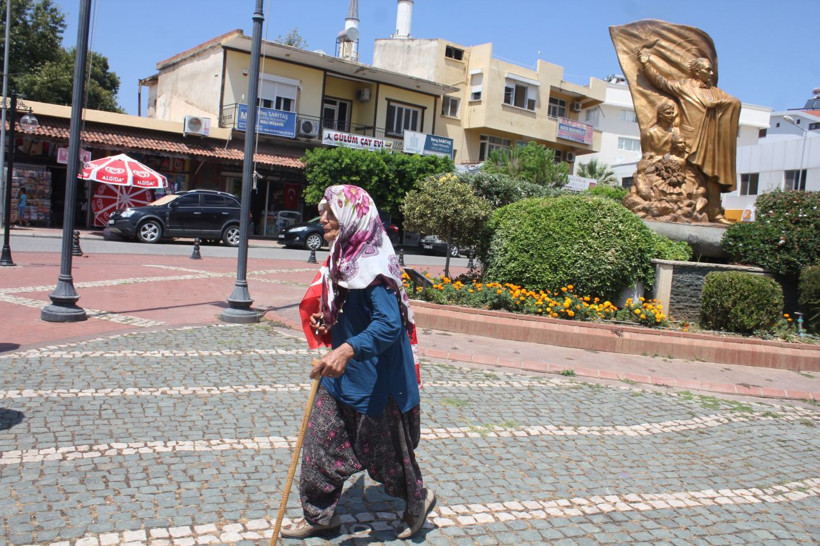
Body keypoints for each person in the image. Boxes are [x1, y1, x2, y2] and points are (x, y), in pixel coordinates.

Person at [282, 184, 435, 540]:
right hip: (341, 376)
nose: (323, 219)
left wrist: (346, 349)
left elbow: (388, 324)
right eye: (323, 212)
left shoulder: (373, 266)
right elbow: (353, 310)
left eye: (331, 212)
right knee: (318, 445)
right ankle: (320, 515)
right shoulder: (345, 255)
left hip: (376, 381)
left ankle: (417, 503)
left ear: (353, 217)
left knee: (387, 458)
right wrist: (330, 322)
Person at [638, 49, 741, 223]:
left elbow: (735, 102)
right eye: (707, 70)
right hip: (689, 139)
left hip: (710, 140)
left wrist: (720, 103)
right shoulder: (684, 87)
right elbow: (661, 82)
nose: (711, 73)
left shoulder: (716, 92)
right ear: (697, 71)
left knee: (712, 176)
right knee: (683, 175)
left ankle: (715, 213)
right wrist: (645, 63)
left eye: (711, 70)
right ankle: (677, 208)